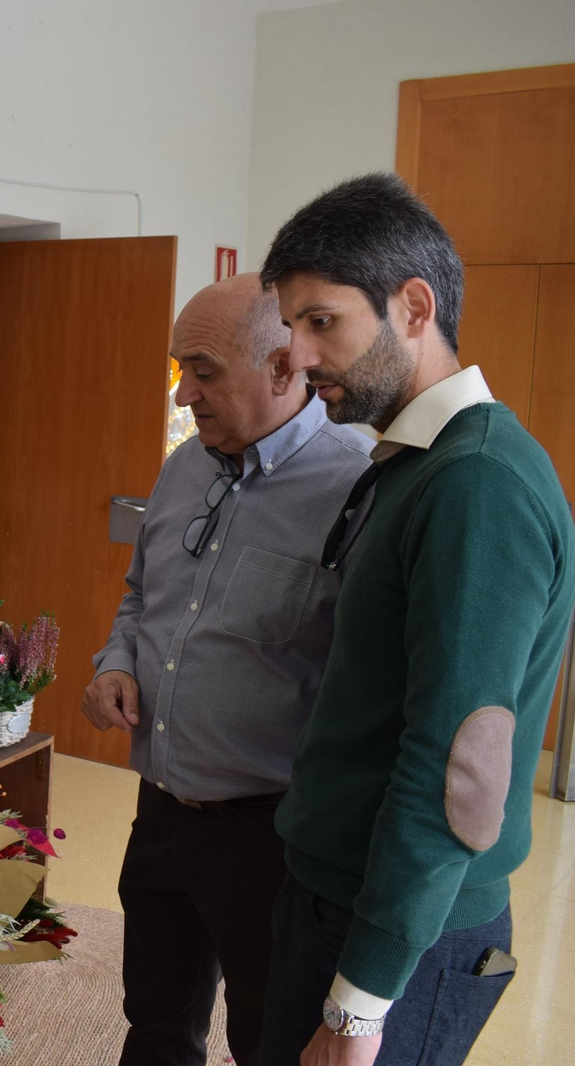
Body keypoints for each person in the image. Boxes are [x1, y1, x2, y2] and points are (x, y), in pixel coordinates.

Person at [258, 173, 575, 1066]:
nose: (300, 355)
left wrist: (359, 1007)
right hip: (345, 893)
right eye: (292, 326)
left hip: (401, 931)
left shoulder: (476, 483)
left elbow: (455, 768)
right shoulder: (416, 463)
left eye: (322, 321)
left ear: (414, 307)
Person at [84, 273, 373, 1066]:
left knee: (267, 1039)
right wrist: (117, 661)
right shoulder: (185, 466)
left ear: (283, 368)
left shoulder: (358, 487)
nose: (183, 395)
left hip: (271, 839)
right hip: (161, 810)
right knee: (155, 1020)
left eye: (203, 373)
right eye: (181, 370)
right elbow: (141, 594)